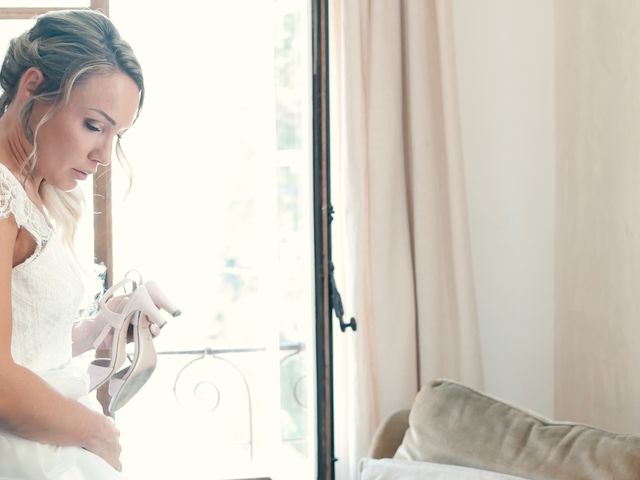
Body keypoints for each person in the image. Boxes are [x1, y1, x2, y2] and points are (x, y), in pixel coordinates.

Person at [0, 9, 146, 478]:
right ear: (33, 87)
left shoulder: (27, 196)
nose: (103, 155)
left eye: (115, 135)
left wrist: (102, 325)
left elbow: (27, 349)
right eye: (93, 125)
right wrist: (95, 431)